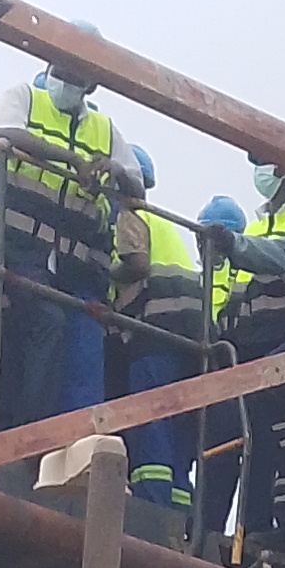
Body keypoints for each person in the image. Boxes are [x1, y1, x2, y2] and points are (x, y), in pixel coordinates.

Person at [0, 35, 142, 430]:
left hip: (80, 261)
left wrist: (115, 170)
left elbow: (137, 188)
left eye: (76, 77)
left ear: (91, 86)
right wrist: (73, 160)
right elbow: (6, 133)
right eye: (60, 71)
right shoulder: (25, 96)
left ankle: (81, 443)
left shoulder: (105, 129)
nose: (65, 81)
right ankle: (32, 435)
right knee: (46, 322)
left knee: (85, 343)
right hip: (21, 247)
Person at [198, 167, 285, 545]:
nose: (261, 171)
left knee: (271, 449)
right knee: (231, 442)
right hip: (246, 353)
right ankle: (213, 532)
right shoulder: (253, 230)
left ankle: (262, 533)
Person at [112, 150, 212, 521]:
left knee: (149, 422)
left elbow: (136, 267)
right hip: (192, 342)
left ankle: (153, 509)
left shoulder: (129, 216)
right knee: (177, 433)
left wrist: (102, 271)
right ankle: (181, 515)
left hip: (154, 335)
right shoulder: (163, 223)